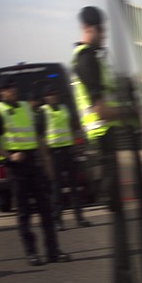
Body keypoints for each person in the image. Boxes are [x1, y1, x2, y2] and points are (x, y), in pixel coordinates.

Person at [72, 5, 142, 283]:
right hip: (103, 148)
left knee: (125, 225)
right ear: (91, 28)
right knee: (123, 228)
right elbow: (99, 109)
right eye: (102, 31)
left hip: (110, 146)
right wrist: (130, 111)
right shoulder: (86, 60)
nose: (105, 37)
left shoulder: (94, 60)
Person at [0, 77, 70, 266]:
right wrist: (8, 156)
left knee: (46, 211)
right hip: (16, 168)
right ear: (1, 92)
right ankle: (31, 253)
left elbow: (38, 137)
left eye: (13, 87)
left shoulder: (25, 107)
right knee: (24, 213)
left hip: (34, 164)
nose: (12, 90)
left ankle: (53, 251)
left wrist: (47, 164)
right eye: (7, 88)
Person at [37, 85, 92, 230]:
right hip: (54, 154)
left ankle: (80, 218)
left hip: (69, 152)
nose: (53, 97)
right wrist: (45, 157)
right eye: (50, 95)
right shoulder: (43, 112)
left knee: (75, 187)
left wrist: (77, 148)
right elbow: (40, 137)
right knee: (56, 189)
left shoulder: (65, 109)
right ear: (45, 98)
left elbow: (74, 129)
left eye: (54, 94)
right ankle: (58, 221)